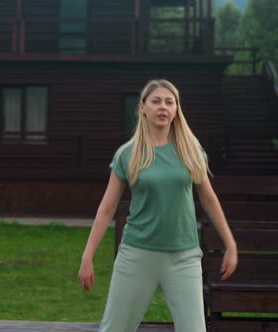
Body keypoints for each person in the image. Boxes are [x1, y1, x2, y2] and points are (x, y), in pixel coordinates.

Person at [78, 79, 238, 332]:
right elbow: (106, 209)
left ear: (176, 110)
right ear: (143, 107)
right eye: (156, 101)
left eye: (169, 102)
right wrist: (88, 256)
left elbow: (208, 198)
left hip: (183, 257)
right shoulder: (127, 154)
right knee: (114, 328)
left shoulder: (191, 150)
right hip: (137, 255)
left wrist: (230, 243)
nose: (163, 107)